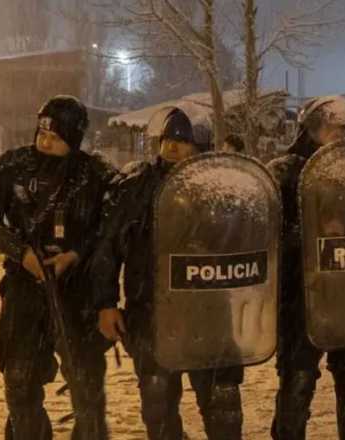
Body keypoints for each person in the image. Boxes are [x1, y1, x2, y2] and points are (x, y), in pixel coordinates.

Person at [0, 95, 118, 440]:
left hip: (77, 292)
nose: (46, 141)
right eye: (42, 133)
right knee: (19, 382)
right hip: (25, 289)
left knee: (86, 386)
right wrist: (21, 253)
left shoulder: (96, 175)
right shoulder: (11, 166)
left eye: (56, 136)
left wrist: (77, 254)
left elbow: (112, 229)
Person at [92, 106, 244, 440]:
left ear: (199, 146)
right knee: (159, 409)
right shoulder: (137, 185)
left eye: (182, 140)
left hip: (211, 313)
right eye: (168, 139)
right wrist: (105, 303)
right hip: (151, 313)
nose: (172, 147)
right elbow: (107, 247)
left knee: (223, 408)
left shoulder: (222, 187)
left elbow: (248, 244)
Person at [266, 96, 345, 440]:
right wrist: (309, 235)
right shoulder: (284, 172)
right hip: (300, 296)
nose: (338, 136)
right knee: (297, 382)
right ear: (311, 129)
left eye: (343, 129)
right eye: (331, 128)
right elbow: (267, 234)